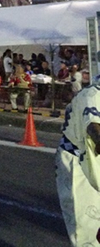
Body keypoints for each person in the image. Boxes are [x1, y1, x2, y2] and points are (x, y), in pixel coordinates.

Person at [55, 83, 100, 246]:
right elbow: (94, 128)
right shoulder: (93, 95)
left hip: (92, 158)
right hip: (78, 162)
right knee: (86, 229)